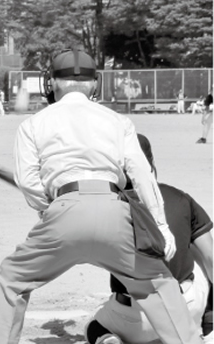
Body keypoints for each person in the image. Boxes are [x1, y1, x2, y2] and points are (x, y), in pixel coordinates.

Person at [0, 48, 203, 344]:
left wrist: (49, 208)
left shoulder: (33, 123)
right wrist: (162, 226)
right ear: (94, 83)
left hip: (63, 209)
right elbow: (141, 175)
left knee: (10, 281)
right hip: (115, 212)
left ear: (51, 82)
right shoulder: (116, 120)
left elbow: (27, 182)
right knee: (159, 286)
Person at [85, 133, 213, 344]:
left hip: (135, 319)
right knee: (201, 257)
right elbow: (211, 259)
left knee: (93, 327)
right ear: (151, 166)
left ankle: (108, 339)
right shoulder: (180, 197)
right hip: (185, 308)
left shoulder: (106, 205)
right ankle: (208, 329)